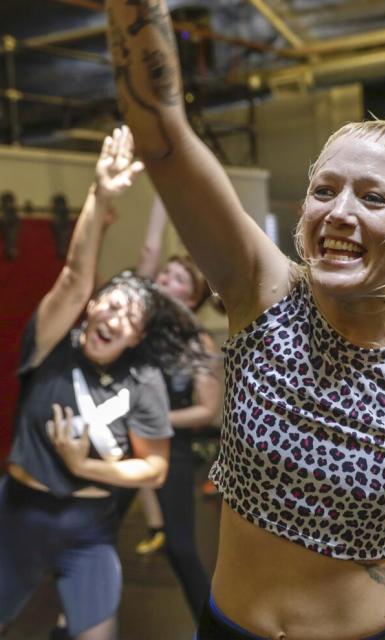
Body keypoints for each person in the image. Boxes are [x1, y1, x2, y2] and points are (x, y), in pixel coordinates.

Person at [106, 3, 385, 638]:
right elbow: (163, 137)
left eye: (372, 197)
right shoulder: (262, 294)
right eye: (325, 190)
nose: (340, 211)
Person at [0, 126, 208, 640]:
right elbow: (73, 275)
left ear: (136, 335)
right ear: (92, 308)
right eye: (110, 300)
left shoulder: (143, 381)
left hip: (88, 532)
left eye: (130, 313)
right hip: (19, 518)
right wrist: (101, 193)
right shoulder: (52, 344)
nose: (115, 312)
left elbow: (155, 467)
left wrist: (83, 464)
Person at [132, 194, 222, 618]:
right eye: (164, 275)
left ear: (192, 296)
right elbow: (150, 251)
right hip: (117, 442)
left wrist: (155, 421)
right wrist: (163, 195)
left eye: (178, 278)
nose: (167, 280)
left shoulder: (197, 343)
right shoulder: (140, 322)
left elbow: (207, 410)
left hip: (171, 450)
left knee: (180, 545)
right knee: (87, 532)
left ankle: (211, 626)